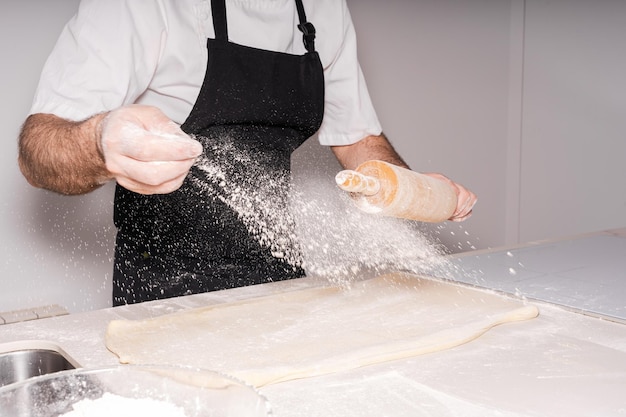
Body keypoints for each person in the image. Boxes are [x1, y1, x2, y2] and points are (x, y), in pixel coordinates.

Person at [18, 0, 477, 305]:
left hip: (280, 270)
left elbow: (357, 139)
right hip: (163, 288)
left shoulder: (322, 8)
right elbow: (39, 150)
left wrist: (415, 190)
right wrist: (100, 140)